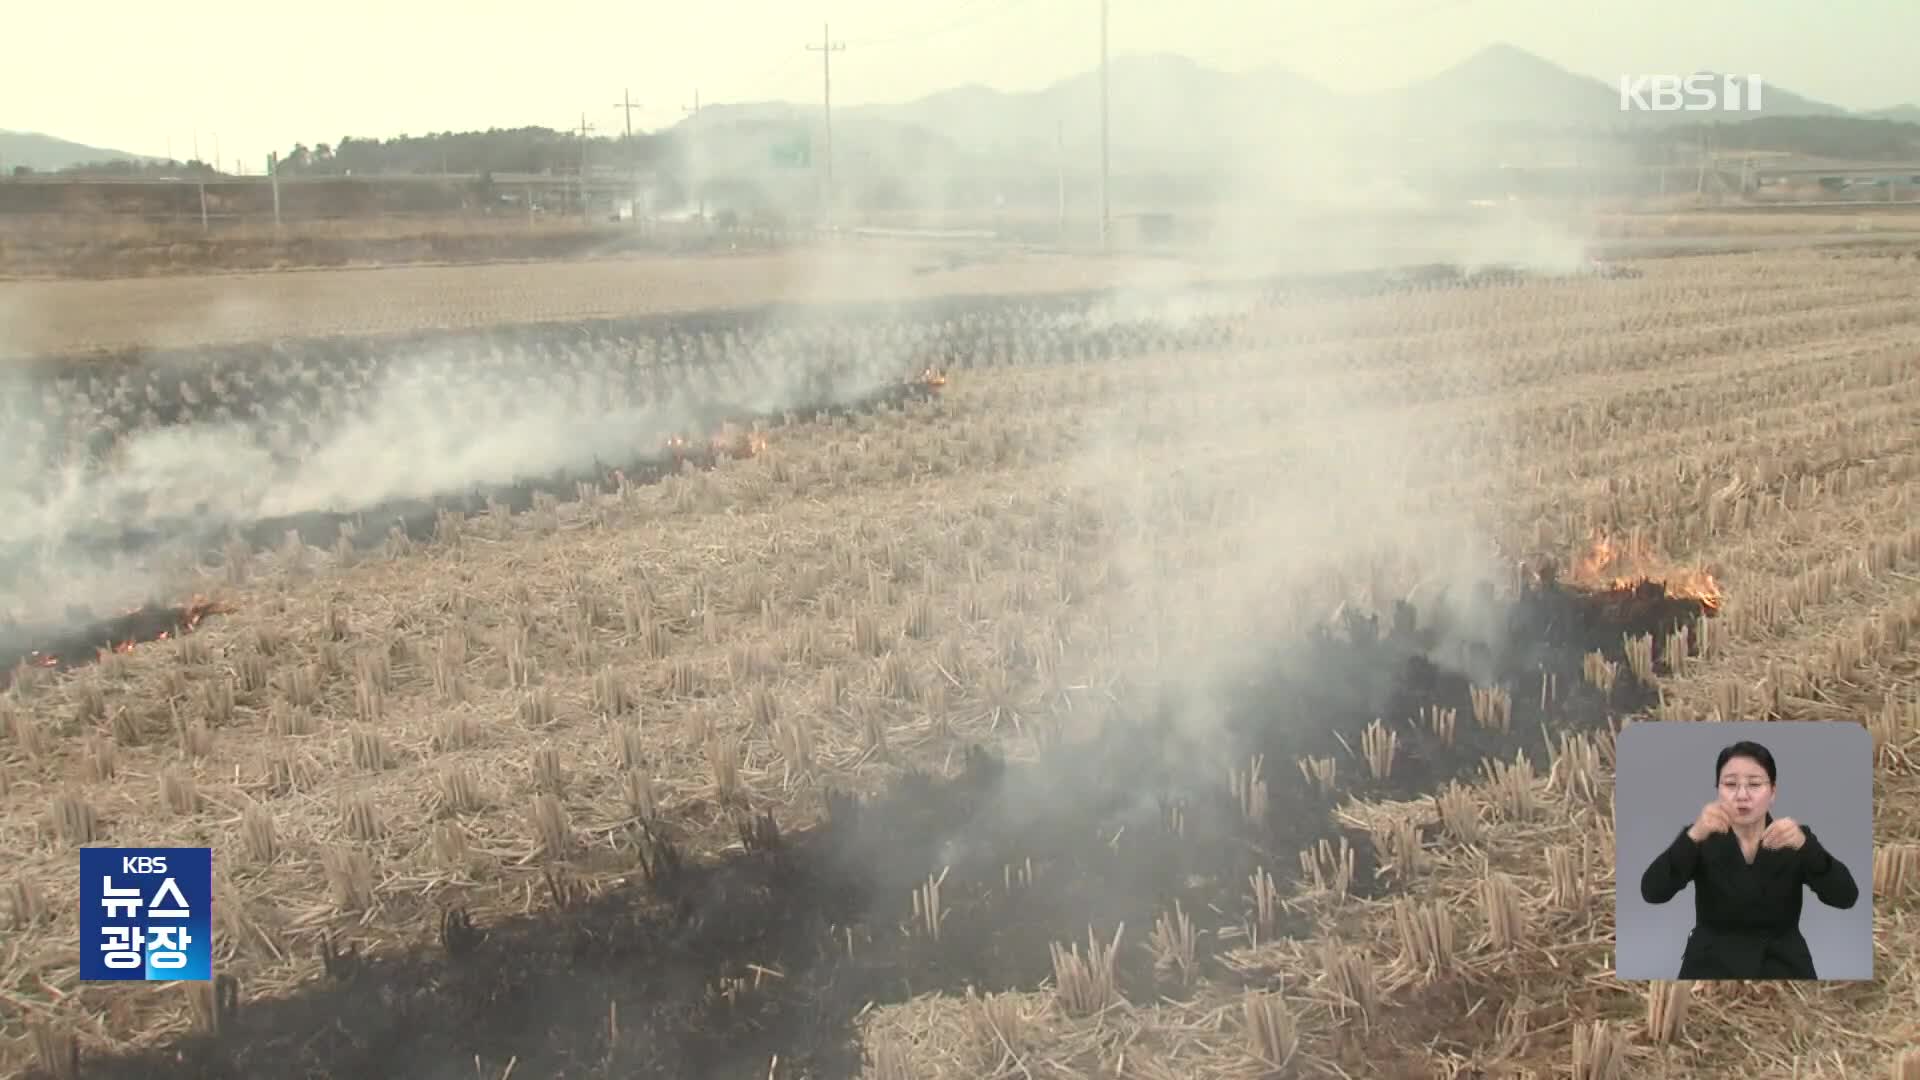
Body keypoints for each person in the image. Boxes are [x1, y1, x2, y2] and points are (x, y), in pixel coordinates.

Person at [1638, 739, 1860, 979]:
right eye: (1730, 784)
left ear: (1772, 792)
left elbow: (1845, 897)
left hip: (1782, 965)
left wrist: (1807, 848)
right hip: (1710, 965)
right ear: (1718, 790)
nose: (1741, 795)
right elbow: (1653, 892)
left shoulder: (1795, 839)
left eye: (1754, 784)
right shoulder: (1702, 838)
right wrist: (1692, 837)